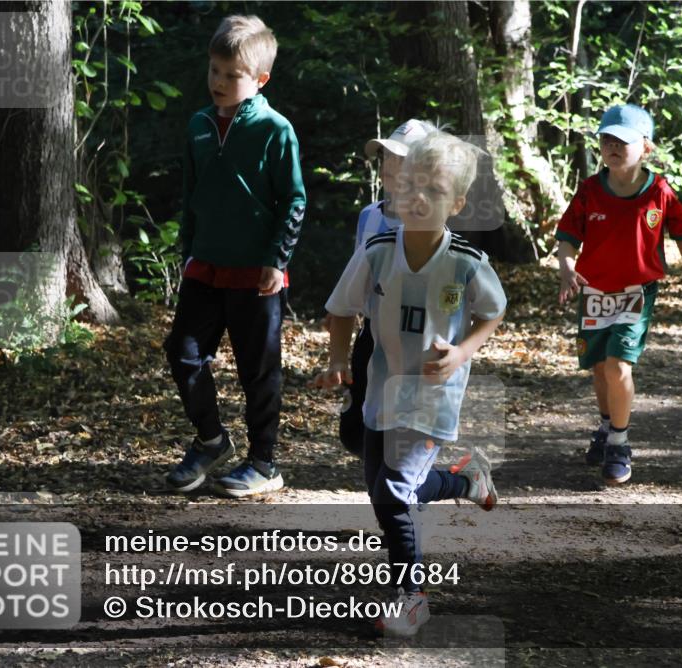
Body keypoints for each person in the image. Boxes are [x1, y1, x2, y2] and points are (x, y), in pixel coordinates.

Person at [314, 130, 506, 637]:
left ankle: (412, 598)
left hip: (433, 398)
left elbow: (493, 311)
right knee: (384, 489)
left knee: (395, 492)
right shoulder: (378, 249)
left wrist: (461, 351)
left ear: (458, 203)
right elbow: (340, 308)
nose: (420, 196)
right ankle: (468, 482)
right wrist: (338, 359)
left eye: (435, 189)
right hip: (382, 390)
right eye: (413, 185)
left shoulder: (466, 260)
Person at [164, 15, 305, 497]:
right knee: (182, 353)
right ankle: (210, 440)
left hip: (257, 275)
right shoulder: (199, 125)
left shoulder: (274, 129)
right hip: (205, 266)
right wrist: (188, 250)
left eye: (233, 75)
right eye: (215, 71)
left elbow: (294, 200)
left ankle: (264, 463)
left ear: (259, 79)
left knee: (257, 370)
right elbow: (190, 193)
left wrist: (276, 258)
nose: (220, 83)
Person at [556, 104, 682, 486]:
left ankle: (619, 442)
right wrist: (567, 267)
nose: (613, 146)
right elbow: (567, 237)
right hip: (593, 292)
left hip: (636, 292)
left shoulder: (660, 191)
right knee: (600, 369)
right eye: (607, 139)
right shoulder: (589, 191)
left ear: (646, 148)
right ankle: (606, 427)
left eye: (623, 140)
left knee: (620, 365)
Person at [336, 119, 437, 456]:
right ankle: (384, 466)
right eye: (387, 157)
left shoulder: (431, 221)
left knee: (399, 423)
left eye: (403, 159)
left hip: (415, 335)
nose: (392, 165)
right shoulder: (368, 216)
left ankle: (397, 475)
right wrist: (343, 311)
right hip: (372, 331)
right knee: (353, 428)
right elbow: (357, 272)